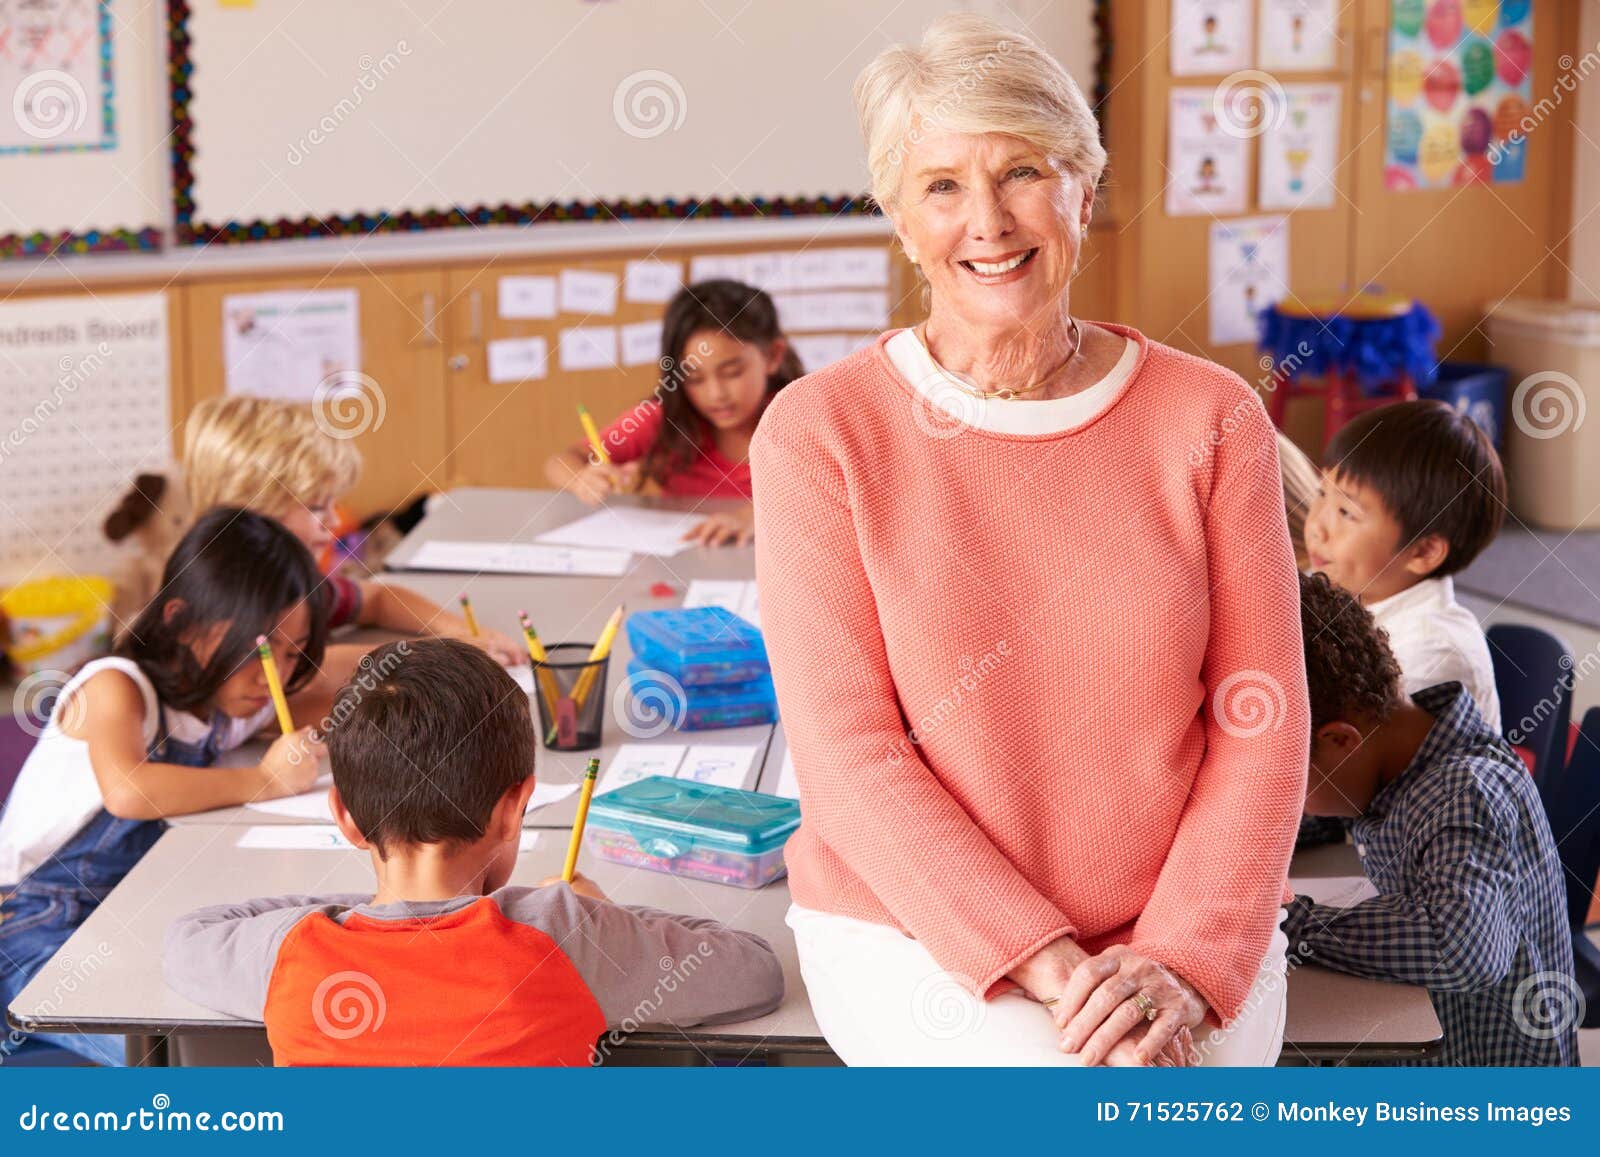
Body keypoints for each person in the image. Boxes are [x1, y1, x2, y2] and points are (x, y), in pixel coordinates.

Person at [751, 14, 1307, 1066]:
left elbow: (1262, 719)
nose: (988, 220)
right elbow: (847, 757)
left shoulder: (1214, 417)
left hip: (1182, 918)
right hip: (914, 923)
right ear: (900, 218)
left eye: (1020, 172)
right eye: (942, 185)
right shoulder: (821, 431)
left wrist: (1182, 958)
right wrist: (1050, 963)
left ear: (1082, 194)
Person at [163, 639, 785, 1065]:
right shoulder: (565, 931)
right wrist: (601, 911)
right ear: (515, 809)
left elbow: (188, 939)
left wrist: (371, 910)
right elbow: (755, 973)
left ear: (347, 820)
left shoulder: (290, 953)